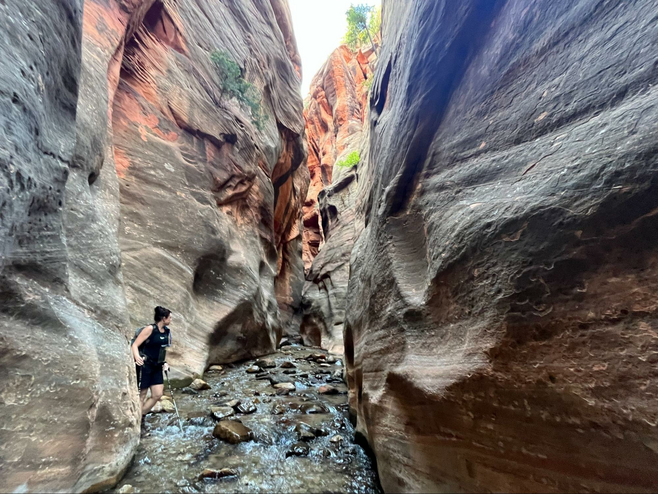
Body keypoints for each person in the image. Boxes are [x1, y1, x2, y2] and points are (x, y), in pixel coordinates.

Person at [132, 306, 172, 417]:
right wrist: (137, 356)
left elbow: (161, 350)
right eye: (170, 317)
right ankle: (138, 422)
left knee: (157, 394)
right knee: (142, 395)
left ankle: (140, 415)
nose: (171, 320)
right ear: (163, 318)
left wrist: (164, 362)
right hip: (145, 366)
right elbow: (135, 344)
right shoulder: (150, 329)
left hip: (157, 366)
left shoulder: (166, 332)